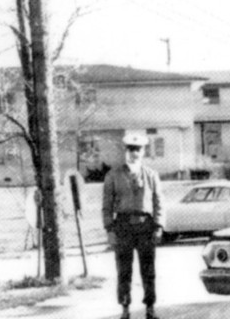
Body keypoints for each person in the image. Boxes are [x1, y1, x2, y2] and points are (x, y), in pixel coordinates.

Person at [102, 133, 164, 319]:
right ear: (125, 151)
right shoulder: (113, 175)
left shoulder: (151, 175)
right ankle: (125, 308)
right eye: (130, 149)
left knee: (148, 270)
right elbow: (106, 205)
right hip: (123, 227)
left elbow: (158, 201)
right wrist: (110, 229)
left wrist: (159, 226)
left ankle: (150, 307)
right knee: (124, 270)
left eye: (137, 149)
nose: (134, 153)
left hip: (145, 226)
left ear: (143, 152)